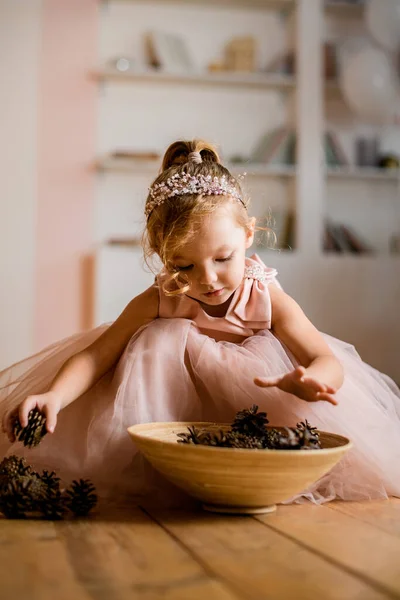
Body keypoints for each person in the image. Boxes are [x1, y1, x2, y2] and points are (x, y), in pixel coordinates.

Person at [1, 139, 400, 505]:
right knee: (156, 337)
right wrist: (54, 396)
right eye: (184, 265)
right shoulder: (162, 298)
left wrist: (316, 381)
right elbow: (96, 356)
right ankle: (164, 470)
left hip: (254, 417)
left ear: (248, 235)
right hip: (171, 417)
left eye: (222, 259)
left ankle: (245, 478)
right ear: (161, 254)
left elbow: (323, 358)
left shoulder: (267, 298)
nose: (206, 279)